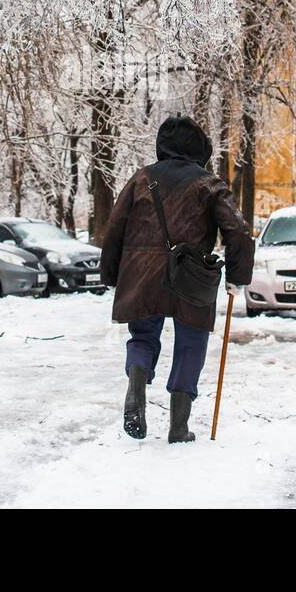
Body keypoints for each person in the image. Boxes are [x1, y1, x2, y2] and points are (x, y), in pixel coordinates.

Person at [99, 115, 254, 443]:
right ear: (200, 148)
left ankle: (135, 391)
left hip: (140, 272)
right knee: (191, 342)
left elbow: (114, 226)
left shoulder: (141, 179)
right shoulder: (209, 184)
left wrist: (111, 273)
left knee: (142, 337)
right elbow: (237, 229)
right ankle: (179, 427)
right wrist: (237, 277)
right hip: (191, 275)